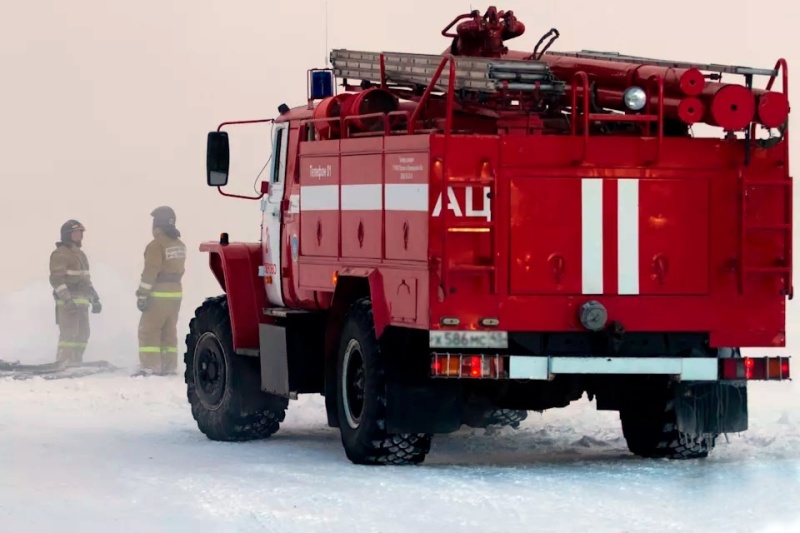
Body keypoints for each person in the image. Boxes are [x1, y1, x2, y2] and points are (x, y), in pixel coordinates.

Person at [135, 206, 187, 376]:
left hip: (158, 295)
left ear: (157, 224)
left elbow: (151, 271)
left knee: (148, 330)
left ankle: (150, 367)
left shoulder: (156, 245)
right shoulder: (179, 244)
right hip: (175, 294)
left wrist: (142, 294)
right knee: (169, 331)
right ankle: (169, 366)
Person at [49, 220, 102, 364]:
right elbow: (56, 280)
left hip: (82, 303)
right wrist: (67, 300)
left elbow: (86, 281)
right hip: (68, 304)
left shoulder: (81, 255)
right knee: (69, 335)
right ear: (67, 235)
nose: (79, 236)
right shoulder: (60, 254)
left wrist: (95, 299)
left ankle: (76, 361)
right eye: (76, 233)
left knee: (83, 335)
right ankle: (63, 361)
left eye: (80, 233)